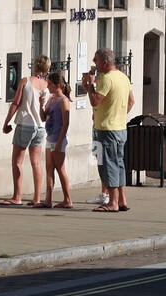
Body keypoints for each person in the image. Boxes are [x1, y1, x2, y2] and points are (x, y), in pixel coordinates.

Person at [83, 48, 134, 212]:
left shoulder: (106, 78)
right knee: (119, 163)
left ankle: (112, 203)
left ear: (105, 62)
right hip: (120, 128)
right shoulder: (123, 77)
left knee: (108, 164)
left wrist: (90, 85)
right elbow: (131, 101)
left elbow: (95, 101)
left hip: (106, 129)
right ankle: (122, 200)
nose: (94, 62)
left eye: (96, 60)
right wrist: (117, 114)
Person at [0, 55, 49, 207]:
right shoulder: (47, 85)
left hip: (25, 124)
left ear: (35, 66)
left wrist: (6, 122)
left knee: (17, 161)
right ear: (47, 68)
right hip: (40, 126)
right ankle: (37, 198)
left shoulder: (26, 81)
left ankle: (17, 196)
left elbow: (16, 103)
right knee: (36, 162)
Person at [40, 71, 73, 209]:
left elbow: (66, 123)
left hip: (58, 139)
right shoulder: (51, 98)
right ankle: (48, 199)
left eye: (50, 84)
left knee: (60, 168)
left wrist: (60, 142)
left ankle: (68, 199)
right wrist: (40, 105)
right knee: (49, 168)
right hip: (50, 138)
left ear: (57, 85)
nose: (47, 86)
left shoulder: (63, 101)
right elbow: (43, 118)